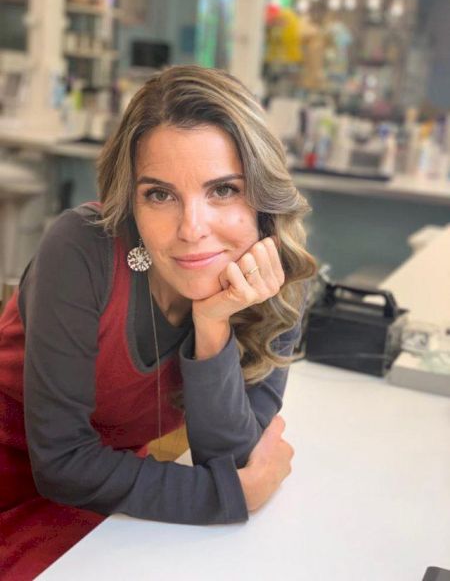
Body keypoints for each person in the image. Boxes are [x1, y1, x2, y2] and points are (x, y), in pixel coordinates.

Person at [0, 65, 316, 579]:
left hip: (106, 496)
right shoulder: (82, 248)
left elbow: (232, 458)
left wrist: (212, 323)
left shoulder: (274, 282)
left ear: (263, 195)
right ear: (132, 200)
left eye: (223, 190)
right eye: (160, 195)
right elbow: (60, 463)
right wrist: (228, 496)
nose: (192, 229)